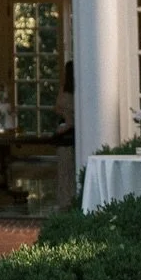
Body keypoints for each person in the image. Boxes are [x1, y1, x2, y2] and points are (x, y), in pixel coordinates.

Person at [54, 58, 76, 208]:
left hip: (67, 132)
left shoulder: (66, 90)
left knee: (65, 170)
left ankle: (66, 201)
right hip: (69, 132)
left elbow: (57, 108)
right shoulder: (76, 91)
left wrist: (67, 121)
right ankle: (70, 201)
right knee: (70, 170)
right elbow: (58, 108)